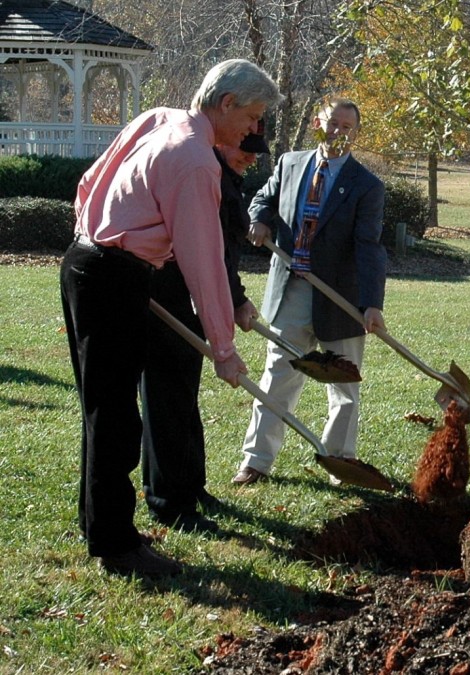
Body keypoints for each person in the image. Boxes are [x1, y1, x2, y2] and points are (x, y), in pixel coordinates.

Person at [61, 59, 282, 578]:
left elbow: (89, 182)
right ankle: (117, 546)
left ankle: (99, 524)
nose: (254, 129)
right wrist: (223, 350)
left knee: (103, 410)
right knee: (116, 417)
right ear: (225, 103)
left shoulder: (159, 118)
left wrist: (96, 237)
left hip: (86, 261)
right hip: (113, 275)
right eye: (252, 117)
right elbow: (203, 263)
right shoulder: (196, 161)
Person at [234, 98, 387, 485]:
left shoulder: (366, 186)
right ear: (318, 123)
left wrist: (372, 304)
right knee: (278, 377)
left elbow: (369, 247)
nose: (338, 132)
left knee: (344, 385)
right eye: (333, 123)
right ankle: (256, 461)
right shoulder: (290, 163)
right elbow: (263, 199)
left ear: (356, 134)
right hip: (292, 290)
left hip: (341, 299)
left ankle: (340, 463)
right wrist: (259, 219)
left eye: (347, 127)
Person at [139, 125, 270, 534]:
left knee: (184, 397)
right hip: (167, 291)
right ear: (221, 137)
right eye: (244, 147)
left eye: (255, 151)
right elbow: (206, 252)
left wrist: (236, 299)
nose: (251, 157)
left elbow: (222, 253)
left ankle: (190, 487)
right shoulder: (201, 172)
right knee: (166, 399)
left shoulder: (224, 176)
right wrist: (231, 301)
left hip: (191, 295)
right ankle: (167, 500)